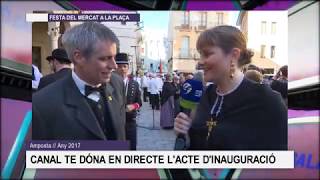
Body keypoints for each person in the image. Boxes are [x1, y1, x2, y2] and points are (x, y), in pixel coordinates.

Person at [174, 25, 287, 150]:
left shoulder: (267, 101)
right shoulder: (203, 96)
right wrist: (186, 135)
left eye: (206, 54)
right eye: (200, 55)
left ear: (234, 55)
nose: (200, 62)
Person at [32, 22, 126, 140]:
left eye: (114, 57)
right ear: (78, 57)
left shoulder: (117, 84)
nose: (114, 66)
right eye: (104, 58)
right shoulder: (41, 104)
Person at [115, 53, 142, 150]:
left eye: (124, 66)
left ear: (128, 68)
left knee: (131, 149)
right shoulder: (109, 84)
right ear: (115, 67)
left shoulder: (134, 84)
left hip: (130, 122)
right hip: (115, 124)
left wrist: (133, 106)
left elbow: (139, 102)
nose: (122, 69)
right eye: (119, 66)